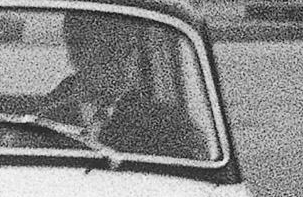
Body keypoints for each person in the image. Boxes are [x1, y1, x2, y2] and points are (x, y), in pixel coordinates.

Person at [38, 10, 200, 158]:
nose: (124, 60)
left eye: (130, 48)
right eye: (109, 49)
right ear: (76, 53)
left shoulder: (167, 125)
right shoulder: (44, 123)